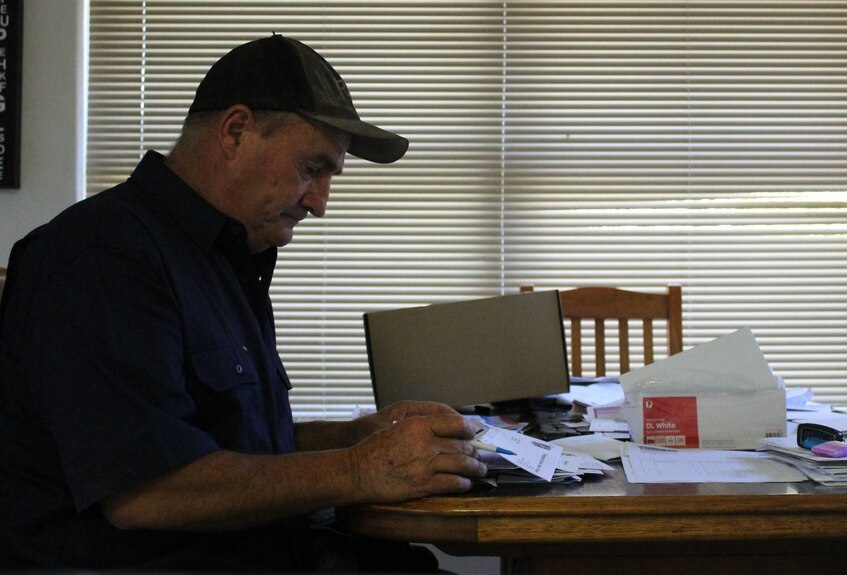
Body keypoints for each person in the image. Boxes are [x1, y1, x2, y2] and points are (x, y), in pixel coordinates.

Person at [0, 34, 487, 571]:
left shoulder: (225, 254)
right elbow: (145, 490)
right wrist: (357, 468)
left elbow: (224, 441)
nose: (320, 203)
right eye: (312, 167)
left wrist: (353, 436)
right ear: (235, 132)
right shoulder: (103, 258)